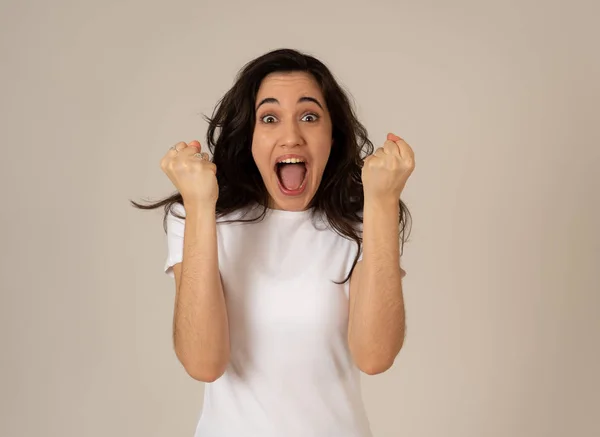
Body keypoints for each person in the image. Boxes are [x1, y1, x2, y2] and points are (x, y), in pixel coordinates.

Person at [132, 48, 415, 437]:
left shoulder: (362, 221)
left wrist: (382, 203)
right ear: (250, 135)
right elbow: (203, 363)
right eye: (269, 118)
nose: (291, 136)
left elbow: (375, 355)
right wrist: (200, 204)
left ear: (332, 135)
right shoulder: (200, 217)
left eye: (310, 116)